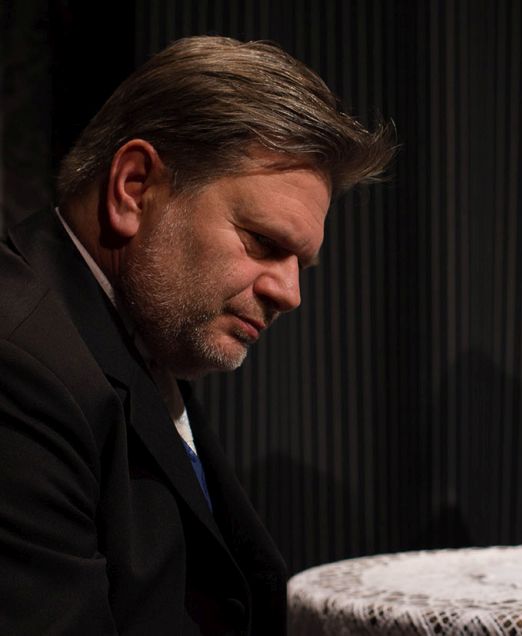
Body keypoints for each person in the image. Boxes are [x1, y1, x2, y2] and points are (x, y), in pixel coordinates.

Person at [0, 36, 393, 633]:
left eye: (301, 265)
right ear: (134, 188)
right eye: (263, 242)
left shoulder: (135, 329)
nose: (290, 293)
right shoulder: (19, 362)